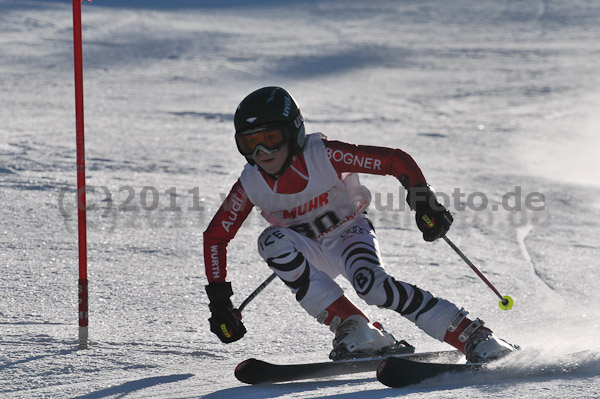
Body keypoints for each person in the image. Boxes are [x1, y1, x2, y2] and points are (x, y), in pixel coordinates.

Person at [203, 86, 518, 363]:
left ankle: (470, 334)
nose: (262, 153)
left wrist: (424, 202)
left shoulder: (323, 155)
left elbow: (394, 160)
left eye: (271, 139)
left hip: (348, 233)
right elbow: (216, 237)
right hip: (309, 248)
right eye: (250, 144)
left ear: (294, 132)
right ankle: (356, 327)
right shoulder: (251, 184)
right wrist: (220, 302)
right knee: (271, 240)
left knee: (373, 286)